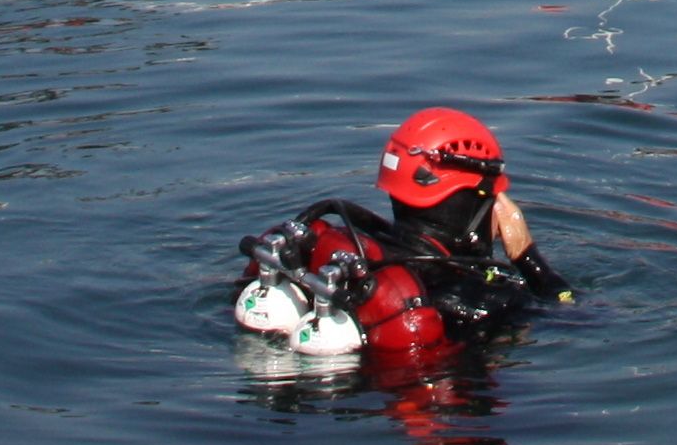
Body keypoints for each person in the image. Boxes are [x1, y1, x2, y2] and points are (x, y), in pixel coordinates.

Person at [231, 106, 570, 364]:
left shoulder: (360, 254)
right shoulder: (491, 298)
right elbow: (577, 315)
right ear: (474, 202)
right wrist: (527, 257)